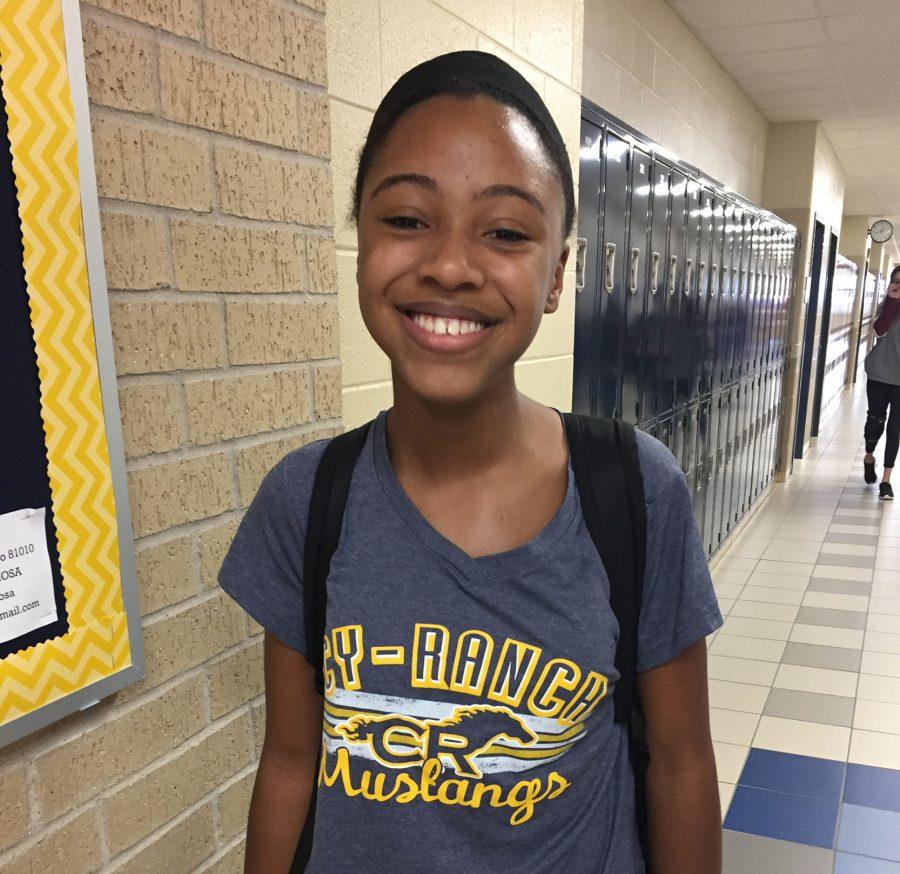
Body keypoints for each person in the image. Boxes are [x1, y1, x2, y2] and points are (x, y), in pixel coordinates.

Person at [219, 51, 723, 873]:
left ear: (557, 273)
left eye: (505, 232)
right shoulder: (307, 501)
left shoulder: (634, 491)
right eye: (408, 219)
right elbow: (287, 762)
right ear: (360, 244)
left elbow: (680, 765)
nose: (450, 265)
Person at [863, 265, 900, 500]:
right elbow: (878, 331)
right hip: (879, 373)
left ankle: (886, 480)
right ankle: (869, 456)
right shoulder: (885, 305)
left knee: (895, 428)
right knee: (875, 420)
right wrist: (892, 304)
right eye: (896, 280)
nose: (898, 285)